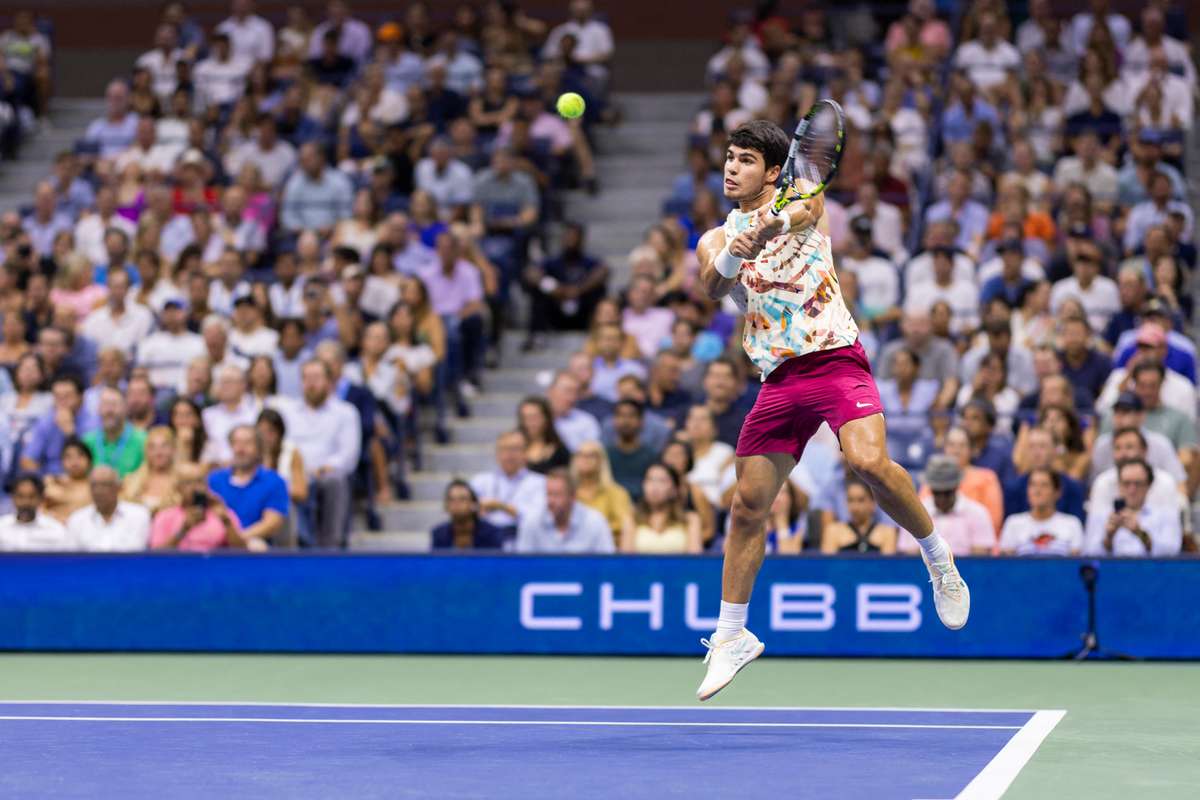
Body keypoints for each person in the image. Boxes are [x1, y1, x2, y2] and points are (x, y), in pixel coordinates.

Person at [692, 120, 970, 700]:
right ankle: (732, 635)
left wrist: (773, 223)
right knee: (746, 506)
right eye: (728, 157)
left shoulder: (800, 200)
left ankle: (937, 557)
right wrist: (731, 255)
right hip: (779, 378)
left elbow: (809, 209)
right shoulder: (716, 237)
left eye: (745, 160)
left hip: (835, 359)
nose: (731, 167)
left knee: (868, 462)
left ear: (773, 171)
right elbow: (710, 288)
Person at [278, 360, 361, 548]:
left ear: (330, 382)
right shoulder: (287, 411)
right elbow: (282, 447)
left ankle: (330, 546)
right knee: (279, 483)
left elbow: (348, 456)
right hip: (293, 473)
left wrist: (321, 469)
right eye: (306, 378)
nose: (311, 383)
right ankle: (294, 545)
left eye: (316, 378)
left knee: (335, 480)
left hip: (325, 474)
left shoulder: (346, 412)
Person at [208, 425, 290, 549]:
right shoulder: (214, 479)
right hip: (216, 543)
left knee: (257, 546)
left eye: (247, 443)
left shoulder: (274, 481)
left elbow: (272, 523)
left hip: (253, 544)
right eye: (236, 443)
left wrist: (237, 539)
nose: (241, 449)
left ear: (258, 448)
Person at [896, 455, 994, 558]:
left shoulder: (977, 513)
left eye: (947, 492)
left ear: (956, 486)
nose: (942, 499)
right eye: (937, 492)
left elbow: (981, 560)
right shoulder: (914, 514)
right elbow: (909, 557)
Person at [1084, 458, 1182, 557]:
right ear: (1118, 484)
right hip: (1112, 571)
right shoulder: (1101, 516)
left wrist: (1141, 534)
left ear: (1149, 485)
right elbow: (1088, 554)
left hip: (1150, 570)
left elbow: (1172, 551)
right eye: (1126, 483)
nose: (1132, 490)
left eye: (1138, 484)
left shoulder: (1166, 516)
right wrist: (1109, 537)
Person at [514, 468, 615, 554]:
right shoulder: (531, 521)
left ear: (572, 497)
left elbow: (607, 565)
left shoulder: (595, 521)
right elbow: (522, 568)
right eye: (548, 494)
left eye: (557, 495)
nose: (550, 501)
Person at [468, 429, 546, 541]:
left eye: (514, 449)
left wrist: (500, 506)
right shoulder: (481, 481)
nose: (509, 454)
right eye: (504, 449)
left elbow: (537, 517)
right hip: (486, 540)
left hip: (522, 539)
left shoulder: (540, 482)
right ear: (496, 454)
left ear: (525, 452)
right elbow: (467, 509)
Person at [150, 462, 245, 551]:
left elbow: (242, 551)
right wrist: (184, 529)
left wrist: (226, 521)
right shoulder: (165, 516)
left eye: (199, 481)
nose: (195, 487)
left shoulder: (222, 513)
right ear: (178, 488)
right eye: (188, 483)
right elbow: (155, 557)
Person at [998, 468, 1085, 556]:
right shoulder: (1013, 523)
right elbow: (1006, 564)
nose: (1037, 491)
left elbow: (1076, 563)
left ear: (1057, 492)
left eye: (1044, 485)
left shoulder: (1072, 523)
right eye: (1033, 485)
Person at [620, 463, 702, 554]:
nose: (654, 487)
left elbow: (695, 559)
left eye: (662, 481)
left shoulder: (690, 519)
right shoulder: (632, 518)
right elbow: (626, 561)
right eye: (649, 480)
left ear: (675, 489)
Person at [66, 465, 151, 551]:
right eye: (94, 485)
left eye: (105, 485)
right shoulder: (77, 520)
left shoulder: (139, 516)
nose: (98, 491)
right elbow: (72, 561)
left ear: (118, 487)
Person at [570, 441, 633, 545]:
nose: (584, 459)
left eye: (591, 455)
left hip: (608, 553)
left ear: (601, 460)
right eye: (580, 455)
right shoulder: (568, 494)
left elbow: (626, 526)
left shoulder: (616, 493)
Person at [820, 478, 898, 554]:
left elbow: (888, 566)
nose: (855, 507)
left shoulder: (887, 532)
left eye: (861, 500)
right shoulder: (833, 531)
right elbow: (828, 565)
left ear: (873, 503)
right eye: (850, 500)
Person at [81, 387, 146, 478]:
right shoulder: (87, 441)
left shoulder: (143, 440)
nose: (109, 411)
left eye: (114, 405)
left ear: (125, 408)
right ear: (98, 409)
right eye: (105, 405)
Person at [0, 473, 73, 551]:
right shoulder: (1, 527)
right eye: (20, 496)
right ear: (13, 498)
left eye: (32, 497)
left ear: (40, 498)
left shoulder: (55, 529)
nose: (26, 502)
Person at [604, 400, 658, 501]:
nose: (626, 421)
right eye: (621, 415)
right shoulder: (604, 455)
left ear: (641, 421)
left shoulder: (651, 456)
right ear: (613, 420)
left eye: (631, 416)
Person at [431, 480, 505, 550]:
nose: (456, 504)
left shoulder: (491, 534)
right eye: (451, 499)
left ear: (473, 504)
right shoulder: (439, 534)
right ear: (446, 506)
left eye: (462, 499)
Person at [41, 438, 94, 523]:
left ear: (90, 460)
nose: (74, 462)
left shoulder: (96, 486)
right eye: (68, 457)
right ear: (61, 462)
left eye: (80, 456)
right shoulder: (51, 483)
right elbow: (39, 509)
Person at [517, 396, 570, 474]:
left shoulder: (560, 451)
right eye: (525, 418)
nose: (530, 423)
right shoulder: (514, 447)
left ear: (546, 418)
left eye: (534, 417)